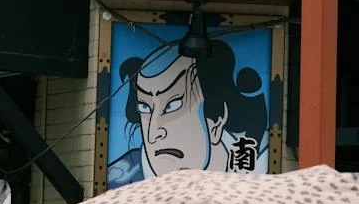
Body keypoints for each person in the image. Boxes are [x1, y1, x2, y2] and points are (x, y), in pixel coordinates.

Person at [107, 35, 268, 188]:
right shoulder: (121, 181)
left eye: (172, 105)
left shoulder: (256, 181)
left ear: (217, 120)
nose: (153, 132)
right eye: (145, 107)